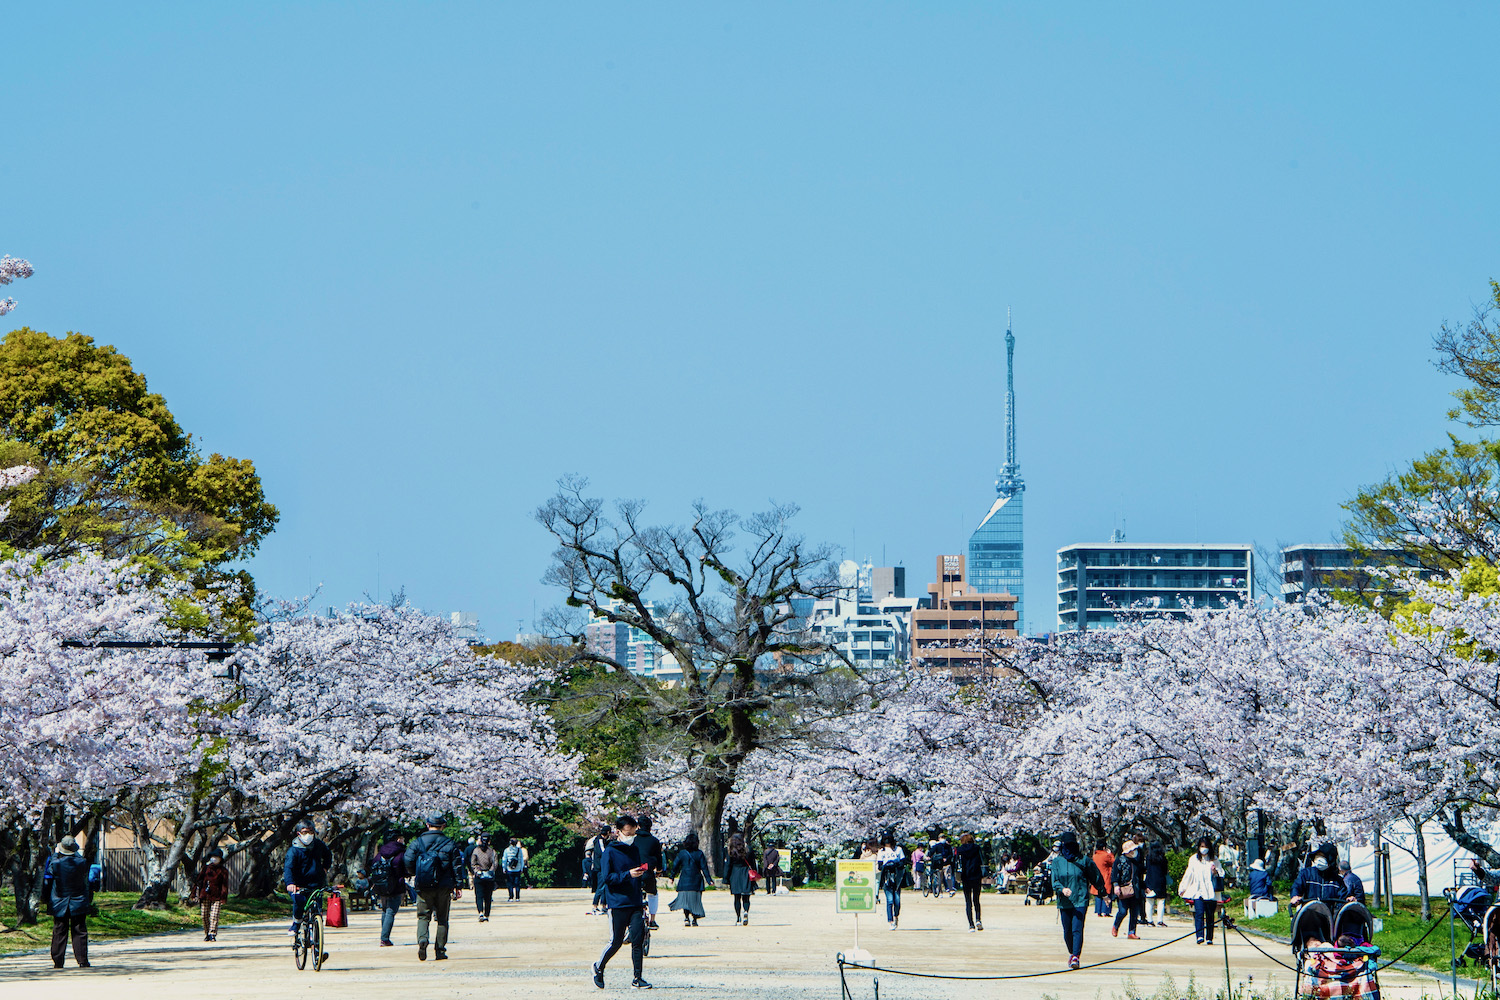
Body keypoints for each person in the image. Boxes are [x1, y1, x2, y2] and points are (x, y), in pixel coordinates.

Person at [593, 814, 651, 990]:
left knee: (637, 939)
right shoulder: (610, 851)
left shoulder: (634, 850)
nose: (631, 836)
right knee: (616, 941)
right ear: (618, 832)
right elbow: (607, 878)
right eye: (628, 832)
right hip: (617, 903)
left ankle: (637, 978)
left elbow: (635, 872)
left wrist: (643, 875)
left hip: (635, 901)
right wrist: (628, 874)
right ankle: (598, 967)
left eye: (634, 832)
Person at [404, 813, 465, 961]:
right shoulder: (449, 843)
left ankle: (423, 940)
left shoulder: (417, 842)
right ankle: (440, 949)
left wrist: (417, 873)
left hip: (424, 886)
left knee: (423, 916)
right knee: (442, 919)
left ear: (427, 825)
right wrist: (458, 885)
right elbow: (457, 865)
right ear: (443, 826)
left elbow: (407, 861)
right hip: (444, 885)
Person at [1050, 832, 1105, 970]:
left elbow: (1096, 876)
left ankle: (1076, 956)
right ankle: (1071, 952)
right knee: (1067, 930)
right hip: (1064, 901)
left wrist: (1104, 893)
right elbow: (1054, 881)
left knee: (1077, 928)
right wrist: (1062, 889)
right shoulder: (1057, 862)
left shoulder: (1084, 860)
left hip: (1080, 899)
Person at [48, 836, 94, 969]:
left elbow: (51, 869)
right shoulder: (82, 863)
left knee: (59, 931)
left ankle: (58, 961)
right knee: (79, 930)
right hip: (78, 900)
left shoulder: (56, 863)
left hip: (59, 900)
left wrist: (57, 852)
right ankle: (82, 960)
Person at [283, 820, 332, 940]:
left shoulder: (319, 845)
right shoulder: (293, 851)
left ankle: (317, 942)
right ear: (299, 833)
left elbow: (328, 855)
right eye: (305, 832)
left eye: (310, 832)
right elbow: (288, 868)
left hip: (316, 883)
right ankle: (296, 924)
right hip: (298, 884)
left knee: (318, 909)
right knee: (299, 901)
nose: (308, 835)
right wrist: (290, 883)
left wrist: (325, 867)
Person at [1179, 837, 1226, 945]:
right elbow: (1189, 874)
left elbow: (1221, 873)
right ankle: (1199, 936)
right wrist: (1183, 888)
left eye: (1205, 847)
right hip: (1198, 890)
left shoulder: (1214, 859)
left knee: (1210, 914)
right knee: (1199, 913)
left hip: (1211, 891)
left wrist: (1215, 871)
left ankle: (1209, 937)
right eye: (1201, 847)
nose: (1203, 849)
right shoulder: (1193, 859)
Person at [370, 832, 408, 947]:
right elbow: (405, 867)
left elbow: (373, 864)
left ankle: (384, 936)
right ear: (398, 839)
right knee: (391, 911)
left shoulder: (381, 852)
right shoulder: (401, 853)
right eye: (402, 838)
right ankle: (384, 938)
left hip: (381, 884)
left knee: (385, 910)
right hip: (395, 885)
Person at [669, 832, 711, 926]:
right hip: (696, 880)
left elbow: (675, 865)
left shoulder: (682, 853)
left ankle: (686, 918)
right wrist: (709, 879)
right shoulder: (699, 853)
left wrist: (671, 877)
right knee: (695, 900)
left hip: (684, 879)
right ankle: (695, 920)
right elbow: (704, 868)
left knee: (685, 901)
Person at [1290, 843, 1347, 908]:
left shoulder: (1337, 880)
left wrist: (1348, 899)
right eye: (1317, 856)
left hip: (1329, 914)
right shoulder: (1306, 874)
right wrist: (1295, 896)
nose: (1319, 859)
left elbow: (1343, 897)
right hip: (1309, 913)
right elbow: (1297, 886)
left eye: (1322, 856)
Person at [1110, 840, 1145, 940]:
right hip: (1123, 889)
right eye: (1132, 850)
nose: (1134, 851)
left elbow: (1139, 876)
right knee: (1123, 911)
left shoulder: (1137, 861)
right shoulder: (1120, 860)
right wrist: (1116, 885)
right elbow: (1114, 874)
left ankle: (1132, 932)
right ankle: (1116, 926)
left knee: (1134, 912)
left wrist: (1144, 887)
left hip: (1136, 889)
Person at [635, 816, 665, 930]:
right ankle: (652, 920)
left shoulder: (633, 840)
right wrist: (659, 870)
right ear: (650, 828)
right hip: (647, 873)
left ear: (638, 826)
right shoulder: (654, 841)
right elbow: (658, 858)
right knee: (653, 894)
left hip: (634, 874)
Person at [195, 847, 230, 942]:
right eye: (213, 857)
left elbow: (224, 885)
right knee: (204, 915)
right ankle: (207, 933)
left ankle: (212, 933)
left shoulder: (223, 871)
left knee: (214, 915)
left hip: (217, 896)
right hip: (205, 894)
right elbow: (199, 880)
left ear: (220, 859)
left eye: (216, 857)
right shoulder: (206, 869)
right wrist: (195, 893)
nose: (214, 859)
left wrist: (223, 897)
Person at [955, 832, 985, 931]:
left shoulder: (960, 850)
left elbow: (956, 863)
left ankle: (971, 925)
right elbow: (982, 861)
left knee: (968, 901)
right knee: (976, 899)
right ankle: (978, 920)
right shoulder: (977, 848)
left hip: (965, 876)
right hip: (976, 875)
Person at [876, 835, 906, 929]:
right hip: (886, 877)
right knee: (889, 900)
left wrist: (895, 863)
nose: (887, 843)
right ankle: (890, 921)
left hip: (897, 877)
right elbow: (880, 866)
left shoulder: (898, 849)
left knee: (897, 901)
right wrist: (887, 865)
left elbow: (903, 861)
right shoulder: (881, 851)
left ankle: (896, 916)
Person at [725, 832, 754, 925]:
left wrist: (726, 878)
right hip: (746, 873)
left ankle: (738, 918)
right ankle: (746, 911)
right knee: (746, 896)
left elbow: (728, 865)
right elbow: (753, 863)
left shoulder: (730, 850)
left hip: (735, 874)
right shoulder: (748, 849)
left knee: (737, 897)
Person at [469, 833, 498, 921]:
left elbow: (473, 863)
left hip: (479, 875)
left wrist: (477, 870)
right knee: (488, 896)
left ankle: (481, 912)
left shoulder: (476, 851)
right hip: (489, 876)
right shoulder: (493, 852)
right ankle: (486, 914)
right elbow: (495, 863)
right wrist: (491, 871)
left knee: (479, 895)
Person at [1144, 842, 1169, 926]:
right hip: (1161, 881)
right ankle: (1160, 921)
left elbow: (1146, 869)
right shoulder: (1163, 858)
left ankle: (1150, 921)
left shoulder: (1148, 858)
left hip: (1150, 880)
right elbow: (1165, 871)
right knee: (1161, 901)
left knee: (1149, 901)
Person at [1091, 842, 1115, 917]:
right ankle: (1106, 911)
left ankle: (1098, 911)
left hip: (1097, 876)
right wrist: (1110, 854)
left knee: (1098, 894)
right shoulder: (1106, 855)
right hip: (1105, 876)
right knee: (1107, 893)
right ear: (1104, 848)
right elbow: (1113, 862)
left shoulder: (1095, 856)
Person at [502, 836, 527, 901]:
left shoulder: (506, 850)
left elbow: (504, 859)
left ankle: (511, 897)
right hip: (518, 869)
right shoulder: (519, 850)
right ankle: (517, 897)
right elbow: (521, 859)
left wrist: (504, 868)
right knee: (517, 884)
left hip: (509, 869)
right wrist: (522, 868)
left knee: (510, 883)